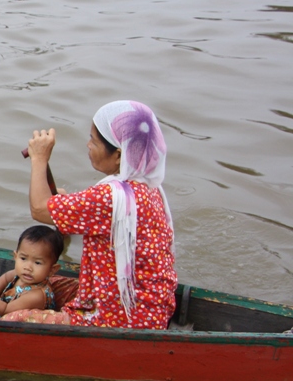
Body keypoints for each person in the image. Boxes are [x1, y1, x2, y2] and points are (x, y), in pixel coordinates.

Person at [22, 100, 177, 328]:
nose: (88, 145)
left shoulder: (109, 197)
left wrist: (39, 159)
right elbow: (92, 213)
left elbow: (39, 209)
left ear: (118, 155)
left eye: (94, 141)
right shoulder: (149, 187)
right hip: (152, 308)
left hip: (121, 318)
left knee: (16, 317)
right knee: (40, 286)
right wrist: (63, 204)